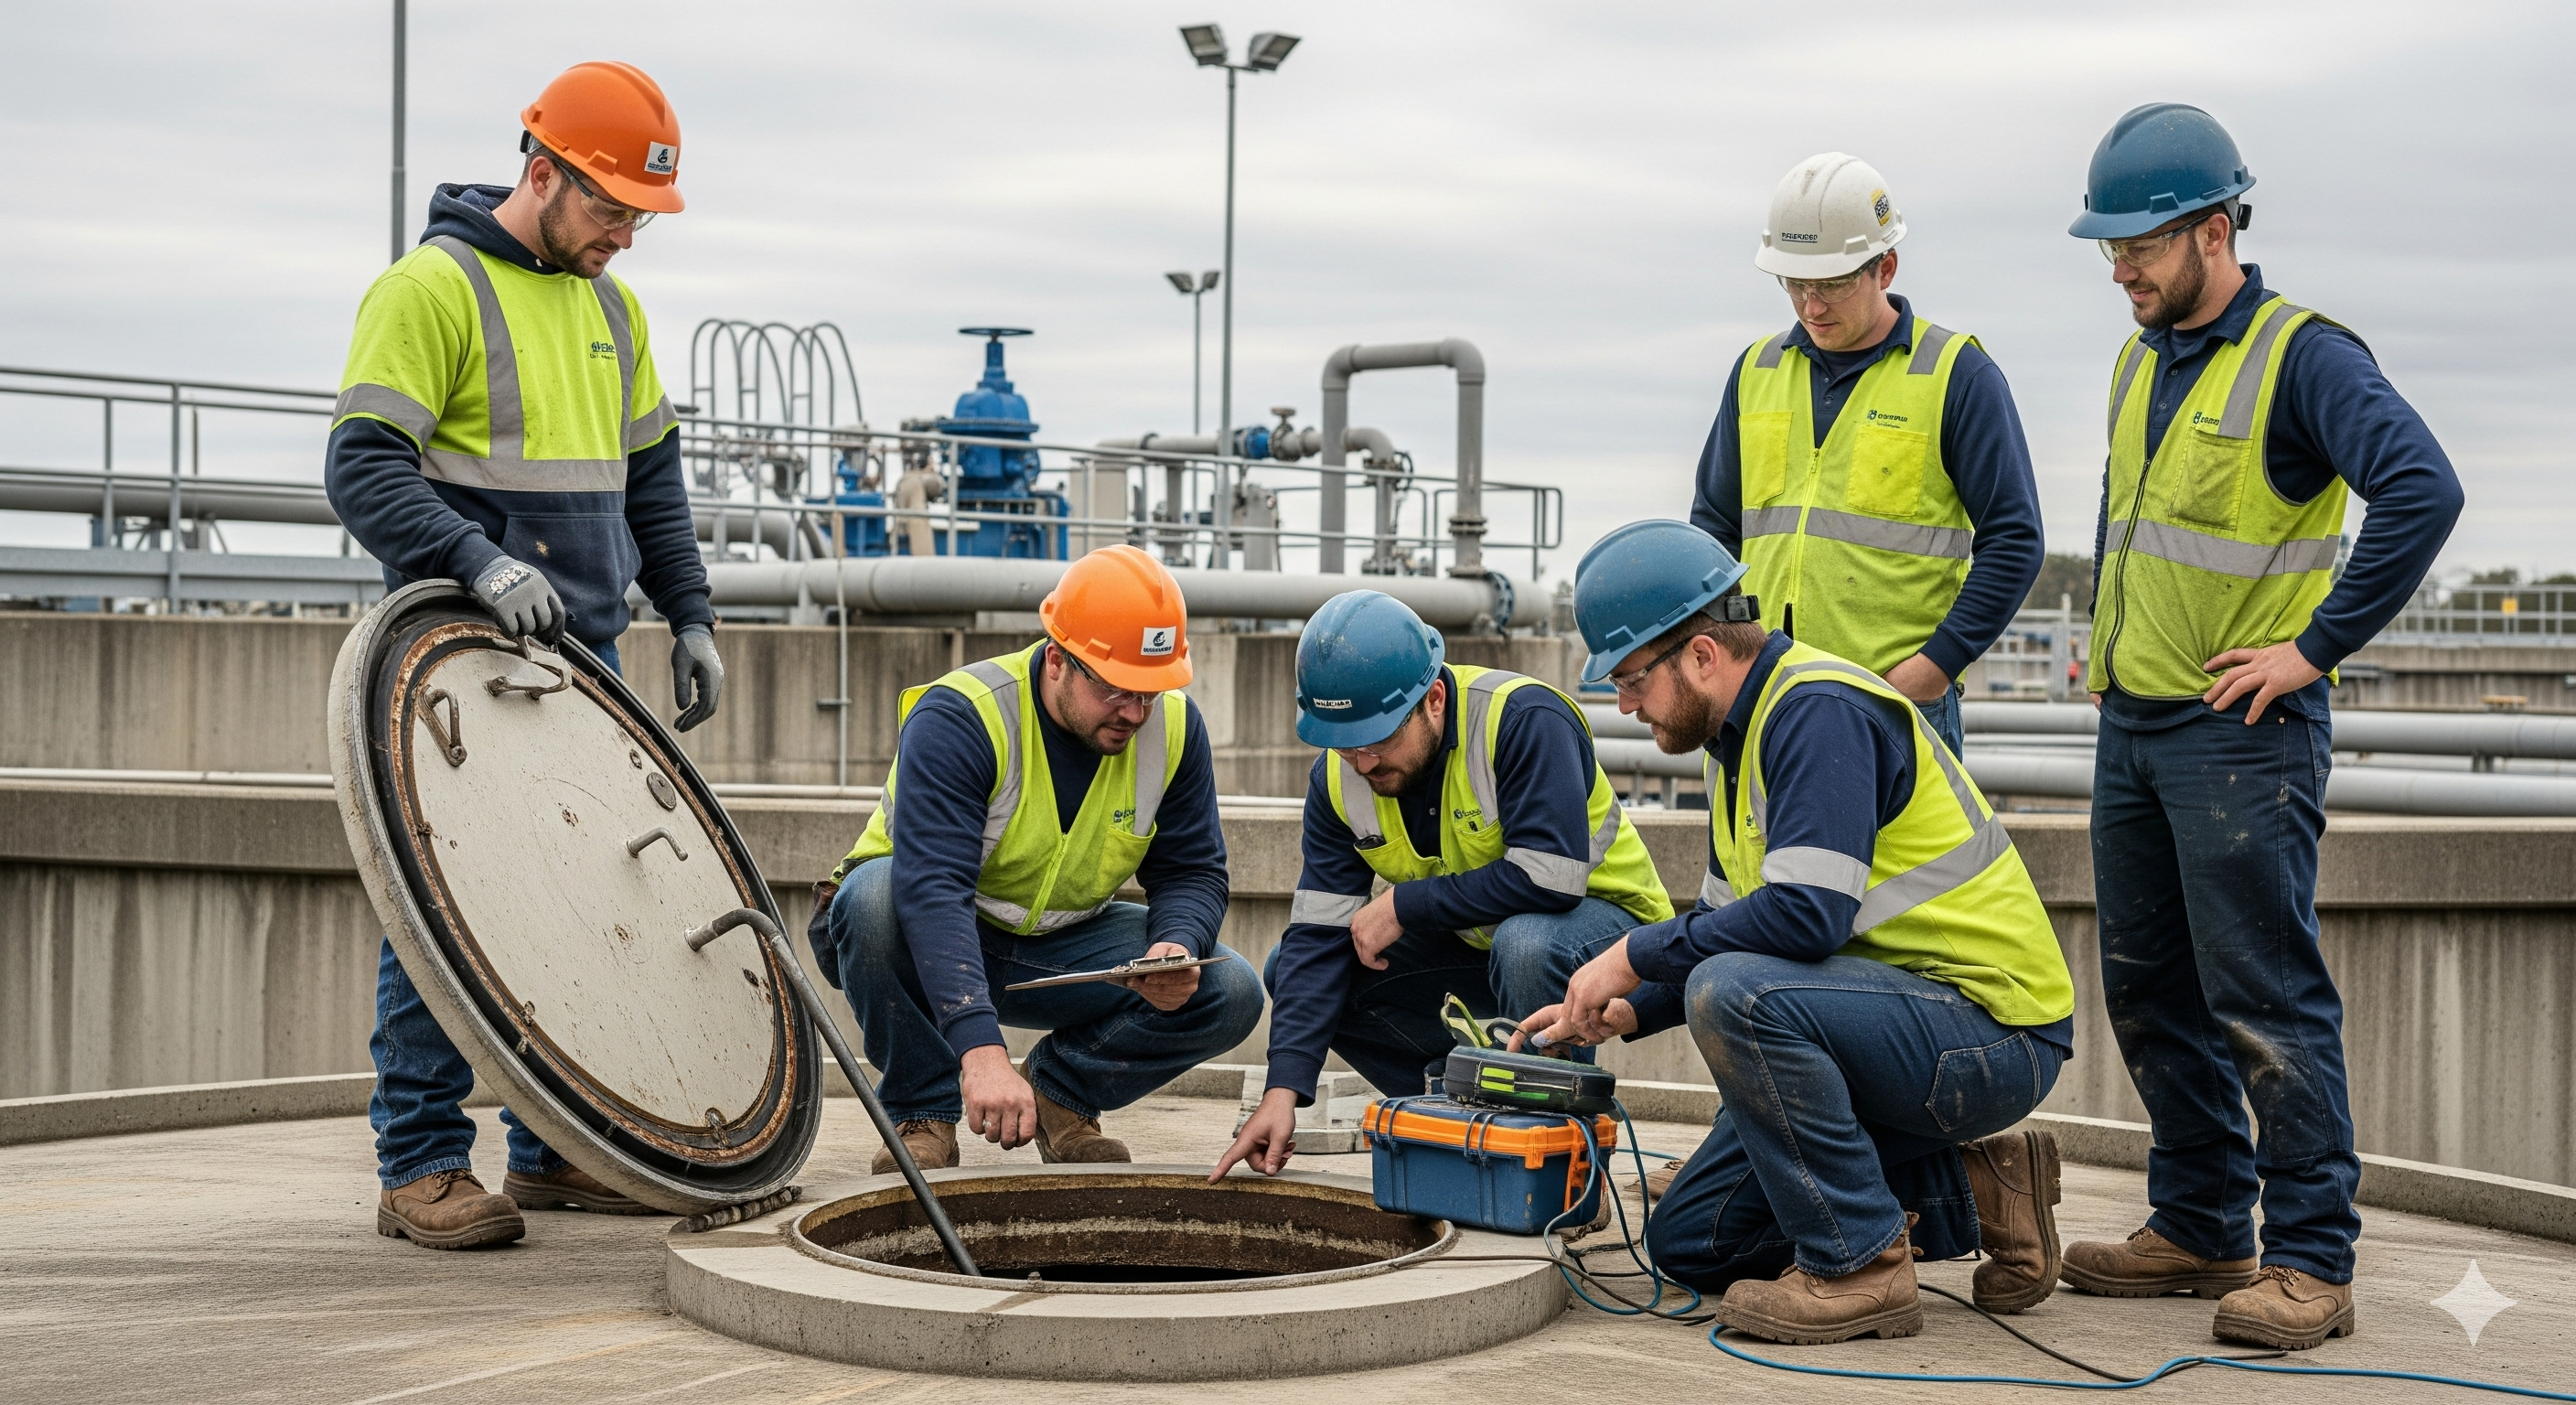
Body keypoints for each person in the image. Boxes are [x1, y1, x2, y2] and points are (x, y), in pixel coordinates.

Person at [2061, 103, 2463, 1351]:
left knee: (2265, 999)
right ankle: (2199, 1222)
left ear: (2215, 227)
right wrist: (2113, 646)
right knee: (2147, 988)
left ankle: (2312, 1263)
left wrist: (2314, 649)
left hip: (2242, 738)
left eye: (2138, 243)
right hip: (2135, 726)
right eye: (2108, 246)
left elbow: (2423, 487)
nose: (2117, 266)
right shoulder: (2142, 357)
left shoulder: (2303, 355)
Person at [327, 62, 725, 1250]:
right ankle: (421, 1164)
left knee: (579, 907)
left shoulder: (612, 310)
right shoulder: (431, 289)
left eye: (639, 218)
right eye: (609, 209)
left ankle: (553, 1151)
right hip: (464, 664)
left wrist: (689, 609)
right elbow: (362, 467)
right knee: (453, 909)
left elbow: (649, 475)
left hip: (586, 659)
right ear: (540, 172)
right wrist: (480, 562)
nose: (624, 238)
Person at [1524, 520, 2076, 1344]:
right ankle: (1973, 1179)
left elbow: (1806, 917)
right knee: (1692, 1240)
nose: (1624, 703)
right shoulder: (1736, 744)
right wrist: (1636, 1009)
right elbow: (1726, 926)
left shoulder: (1817, 710)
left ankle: (1859, 1266)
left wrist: (1630, 954)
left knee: (1734, 995)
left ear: (1703, 656)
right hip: (1890, 1029)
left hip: (1990, 1034)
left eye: (1635, 677)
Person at [811, 545, 1262, 1171]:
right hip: (925, 936)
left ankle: (1064, 1093)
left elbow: (1191, 869)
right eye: (1117, 690)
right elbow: (932, 890)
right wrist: (981, 1049)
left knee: (1230, 987)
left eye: (1151, 692)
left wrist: (1175, 945)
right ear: (1057, 660)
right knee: (874, 898)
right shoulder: (965, 715)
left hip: (1059, 947)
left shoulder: (1175, 729)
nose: (1136, 713)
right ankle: (923, 1112)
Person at [1213, 590, 1673, 1181]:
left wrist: (1405, 903)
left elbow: (1551, 880)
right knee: (1290, 965)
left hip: (1612, 942)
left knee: (1528, 942)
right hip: (1482, 948)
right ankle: (1466, 1110)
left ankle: (1568, 1161)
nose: (1363, 764)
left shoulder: (1523, 718)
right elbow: (1316, 935)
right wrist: (1284, 1089)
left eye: (1379, 741)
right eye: (1346, 745)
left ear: (1433, 700)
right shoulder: (1339, 776)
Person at [1690, 153, 2045, 754]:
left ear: (1886, 268)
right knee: (1756, 852)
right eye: (1794, 284)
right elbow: (1713, 531)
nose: (1811, 306)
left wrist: (1930, 671)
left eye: (1830, 283)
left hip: (1895, 708)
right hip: (1762, 699)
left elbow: (2014, 540)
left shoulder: (1957, 376)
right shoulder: (1756, 372)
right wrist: (1732, 651)